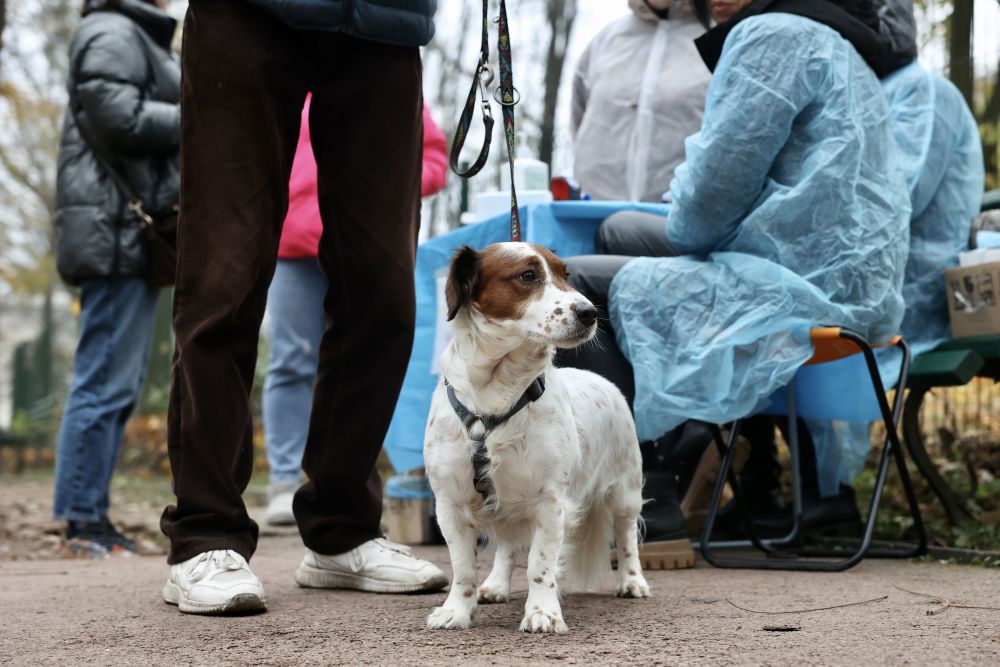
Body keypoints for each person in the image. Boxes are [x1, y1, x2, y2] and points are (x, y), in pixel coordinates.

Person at [558, 0, 911, 558]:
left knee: (576, 287)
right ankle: (693, 434)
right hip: (856, 289)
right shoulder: (834, 40)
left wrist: (689, 197)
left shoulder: (770, 35)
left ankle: (648, 493)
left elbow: (704, 209)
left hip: (798, 285)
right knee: (623, 231)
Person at [160, 0, 445, 615]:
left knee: (383, 289)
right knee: (224, 279)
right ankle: (204, 533)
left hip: (387, 24)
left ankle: (343, 530)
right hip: (249, 16)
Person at [263, 96, 449, 526]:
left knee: (362, 360)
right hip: (293, 242)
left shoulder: (376, 75)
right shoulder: (287, 78)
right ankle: (285, 481)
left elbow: (434, 158)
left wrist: (386, 188)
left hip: (364, 239)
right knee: (291, 359)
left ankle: (344, 485)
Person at [52, 0, 179, 554]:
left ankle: (91, 517)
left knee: (113, 382)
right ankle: (81, 522)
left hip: (121, 231)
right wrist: (199, 114)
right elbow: (115, 116)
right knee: (103, 380)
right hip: (114, 230)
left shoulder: (131, 33)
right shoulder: (111, 29)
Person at [571, 0, 710, 203]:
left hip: (678, 220)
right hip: (594, 216)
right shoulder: (605, 41)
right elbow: (578, 121)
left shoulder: (718, 39)